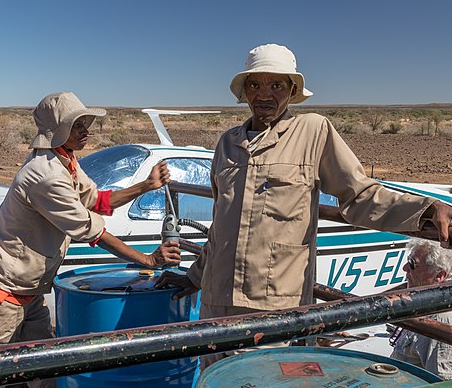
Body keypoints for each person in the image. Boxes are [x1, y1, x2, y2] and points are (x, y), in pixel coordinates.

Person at [156, 43, 452, 369]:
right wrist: (194, 276)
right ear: (244, 91)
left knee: (258, 378)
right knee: (212, 376)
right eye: (255, 85)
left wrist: (426, 210)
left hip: (271, 308)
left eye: (276, 85)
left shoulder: (312, 131)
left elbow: (359, 195)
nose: (264, 94)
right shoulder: (228, 143)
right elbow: (221, 226)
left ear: (292, 90)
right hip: (214, 303)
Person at [0, 92, 180, 356]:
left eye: (85, 124)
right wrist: (147, 260)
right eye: (76, 125)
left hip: (28, 291)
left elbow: (96, 200)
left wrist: (146, 186)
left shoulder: (64, 158)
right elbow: (93, 231)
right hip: (2, 293)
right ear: (57, 131)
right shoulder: (45, 175)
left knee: (39, 364)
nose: (85, 131)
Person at [390, 238, 452, 380]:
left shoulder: (440, 318)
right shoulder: (425, 304)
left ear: (439, 276)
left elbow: (439, 381)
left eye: (412, 264)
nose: (405, 268)